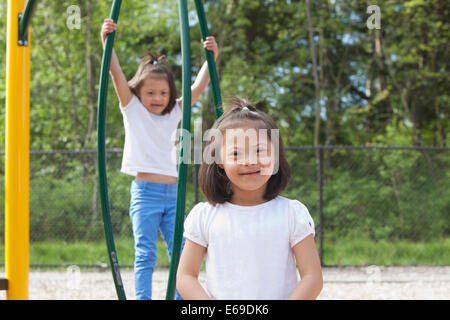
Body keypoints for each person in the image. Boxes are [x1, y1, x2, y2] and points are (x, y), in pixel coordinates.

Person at [100, 18, 219, 300]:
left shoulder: (176, 111)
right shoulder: (132, 109)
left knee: (180, 251)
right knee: (145, 252)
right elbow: (116, 75)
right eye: (150, 92)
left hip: (173, 193)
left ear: (171, 94)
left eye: (163, 93)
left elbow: (200, 86)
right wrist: (107, 42)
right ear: (138, 91)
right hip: (145, 193)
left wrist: (211, 56)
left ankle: (179, 298)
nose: (157, 98)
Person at [176, 97, 323, 299]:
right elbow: (185, 276)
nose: (250, 161)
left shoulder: (292, 214)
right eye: (236, 153)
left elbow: (312, 278)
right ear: (219, 160)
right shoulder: (204, 215)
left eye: (259, 151)